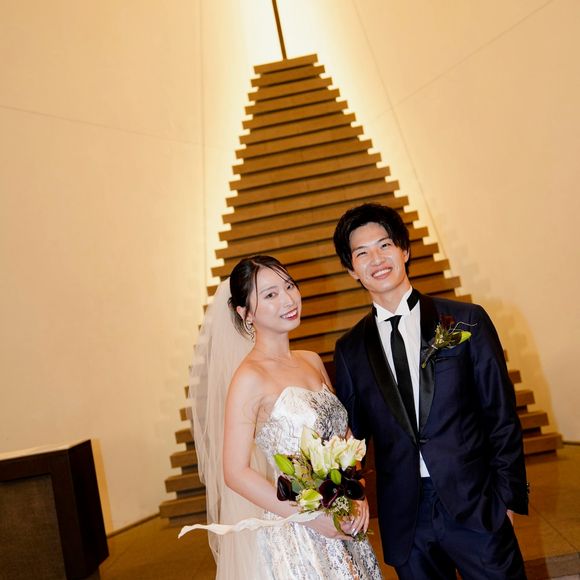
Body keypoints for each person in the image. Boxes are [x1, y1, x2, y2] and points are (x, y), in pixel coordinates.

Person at [332, 203, 529, 579]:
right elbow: (352, 439)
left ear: (404, 250)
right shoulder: (350, 349)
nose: (377, 259)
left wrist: (507, 498)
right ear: (351, 269)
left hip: (476, 504)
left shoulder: (466, 320)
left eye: (385, 245)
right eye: (362, 253)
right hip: (407, 520)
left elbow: (500, 414)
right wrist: (345, 494)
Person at [189, 255, 382, 579]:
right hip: (298, 534)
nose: (288, 299)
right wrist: (309, 517)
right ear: (246, 313)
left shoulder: (311, 360)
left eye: (289, 286)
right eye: (270, 294)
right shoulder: (248, 378)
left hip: (344, 520)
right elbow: (235, 472)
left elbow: (344, 439)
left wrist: (356, 492)